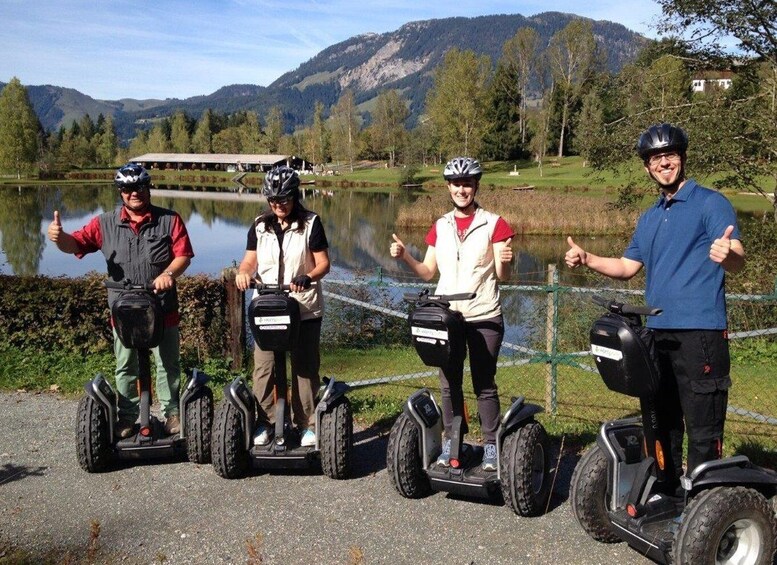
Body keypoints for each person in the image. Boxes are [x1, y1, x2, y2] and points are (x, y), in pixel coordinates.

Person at [565, 123, 745, 489]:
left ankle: (703, 504)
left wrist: (728, 255)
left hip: (701, 334)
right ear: (647, 167)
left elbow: (737, 256)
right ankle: (667, 491)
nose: (664, 163)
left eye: (670, 155)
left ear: (682, 158)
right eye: (655, 158)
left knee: (702, 426)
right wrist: (588, 258)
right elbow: (627, 267)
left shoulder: (711, 203)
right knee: (662, 422)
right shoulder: (649, 217)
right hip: (656, 334)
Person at [47, 163, 194, 438]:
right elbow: (76, 245)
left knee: (168, 364)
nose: (133, 193)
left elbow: (183, 254)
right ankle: (127, 417)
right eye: (127, 188)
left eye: (139, 187)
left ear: (147, 187)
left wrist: (168, 273)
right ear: (120, 192)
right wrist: (60, 238)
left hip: (162, 308)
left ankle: (172, 414)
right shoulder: (104, 223)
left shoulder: (169, 220)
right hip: (124, 311)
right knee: (125, 365)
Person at [390, 157, 514, 471]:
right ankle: (452, 442)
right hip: (447, 318)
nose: (462, 189)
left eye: (467, 183)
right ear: (448, 187)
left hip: (483, 314)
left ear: (476, 186)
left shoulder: (494, 223)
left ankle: (490, 447)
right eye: (456, 184)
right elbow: (428, 272)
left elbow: (504, 275)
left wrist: (506, 260)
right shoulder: (440, 225)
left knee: (484, 383)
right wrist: (406, 256)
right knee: (449, 384)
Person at [235, 166, 330, 448]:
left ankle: (306, 425)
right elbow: (250, 260)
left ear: (295, 196)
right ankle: (265, 422)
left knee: (304, 368)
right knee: (263, 368)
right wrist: (243, 273)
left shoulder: (312, 223)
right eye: (273, 200)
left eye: (284, 200)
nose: (278, 205)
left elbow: (323, 263)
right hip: (267, 306)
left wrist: (308, 276)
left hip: (302, 308)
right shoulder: (259, 225)